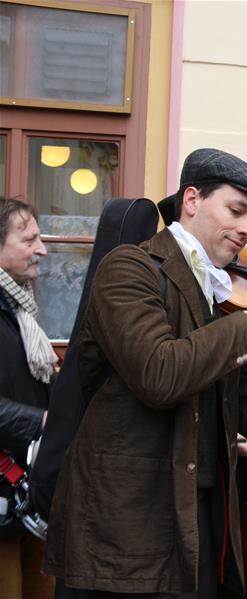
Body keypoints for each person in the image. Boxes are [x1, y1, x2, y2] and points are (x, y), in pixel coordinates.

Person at [43, 148, 247, 598]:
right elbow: (158, 374)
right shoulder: (130, 268)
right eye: (236, 211)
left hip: (201, 512)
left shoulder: (220, 297)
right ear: (192, 199)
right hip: (130, 519)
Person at [0, 197, 55, 599]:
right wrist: (42, 421)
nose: (42, 250)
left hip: (28, 488)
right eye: (29, 239)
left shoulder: (20, 307)